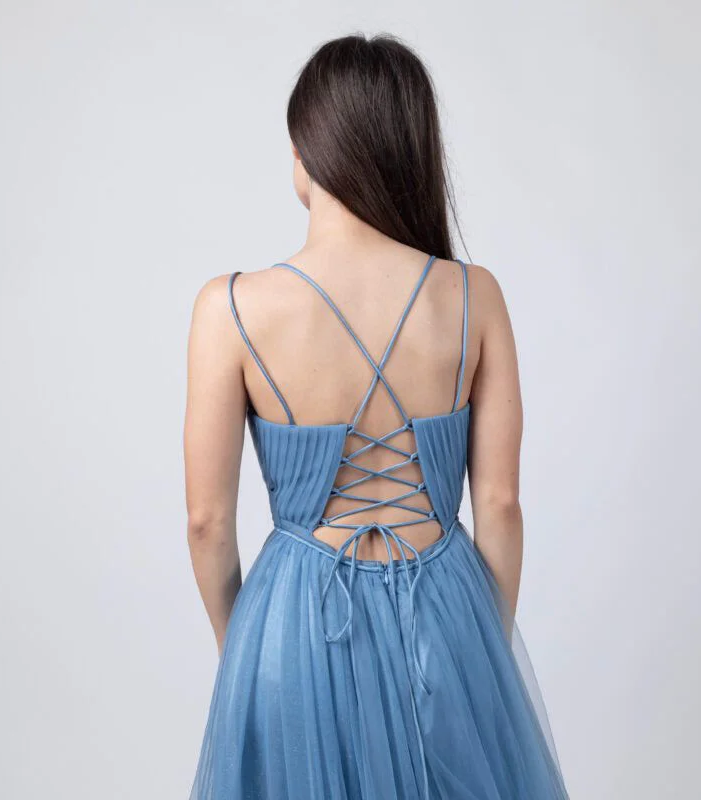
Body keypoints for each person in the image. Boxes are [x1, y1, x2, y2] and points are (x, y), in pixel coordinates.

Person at [184, 33, 569, 799]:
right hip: (445, 609)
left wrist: (249, 651)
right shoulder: (473, 297)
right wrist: (478, 650)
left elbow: (207, 522)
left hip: (294, 621)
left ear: (305, 153)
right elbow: (499, 504)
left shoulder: (231, 308)